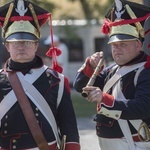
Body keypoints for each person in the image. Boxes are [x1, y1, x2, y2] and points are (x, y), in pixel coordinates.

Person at [0, 0, 80, 150]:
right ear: (7, 46)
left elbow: (69, 127)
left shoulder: (57, 80)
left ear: (36, 45)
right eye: (16, 42)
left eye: (28, 42)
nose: (21, 46)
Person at [73, 0, 150, 150]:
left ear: (138, 45)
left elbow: (143, 107)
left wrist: (104, 99)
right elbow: (80, 87)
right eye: (114, 45)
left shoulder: (146, 71)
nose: (117, 49)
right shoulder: (111, 70)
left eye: (123, 44)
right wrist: (90, 66)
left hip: (134, 144)